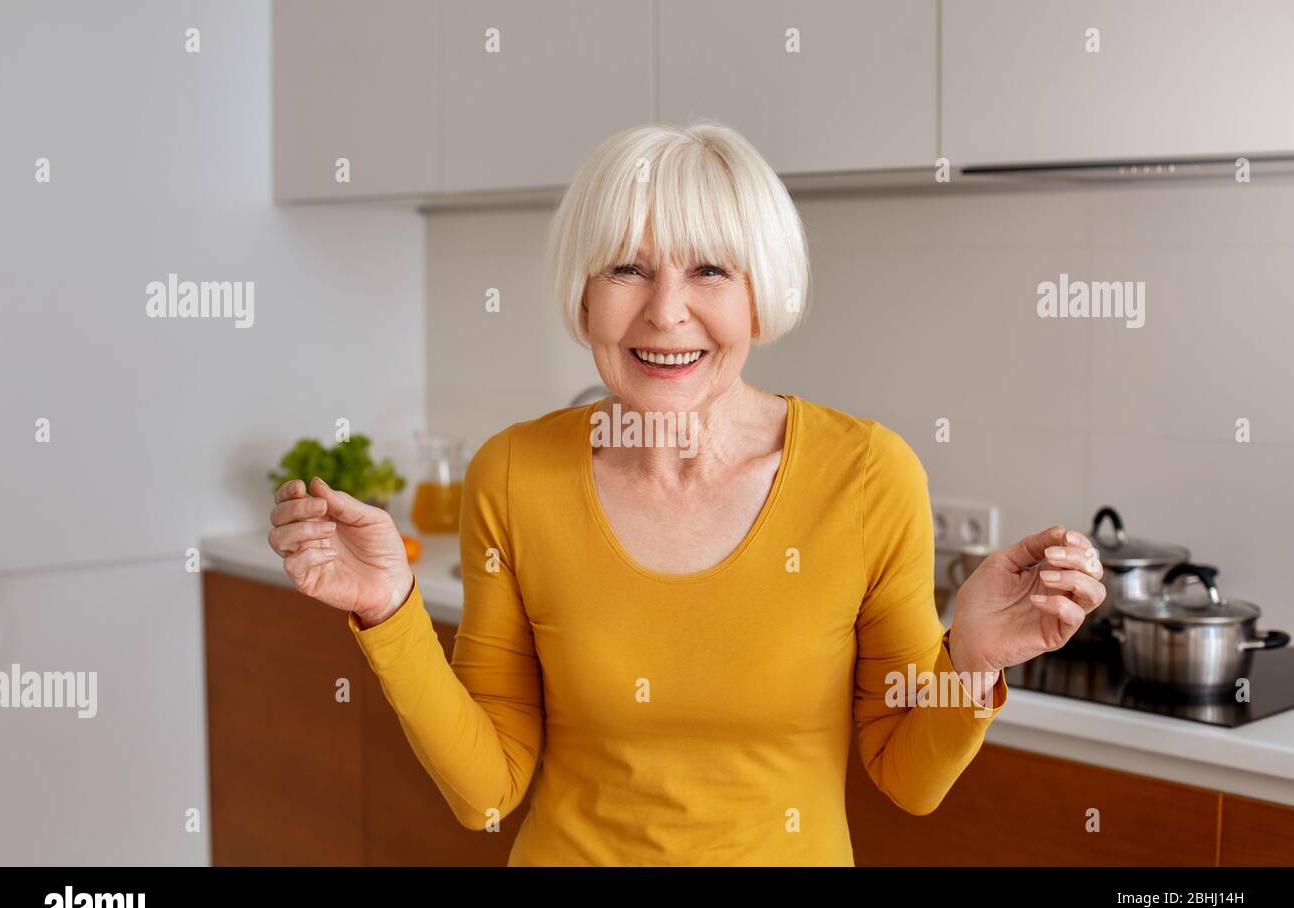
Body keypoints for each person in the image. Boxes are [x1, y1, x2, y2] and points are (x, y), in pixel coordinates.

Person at [268, 123, 1105, 865]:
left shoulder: (867, 476)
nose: (667, 313)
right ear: (584, 294)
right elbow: (487, 791)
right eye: (627, 269)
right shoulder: (514, 474)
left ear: (757, 294)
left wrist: (971, 664)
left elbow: (908, 777)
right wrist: (390, 609)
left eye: (710, 270)